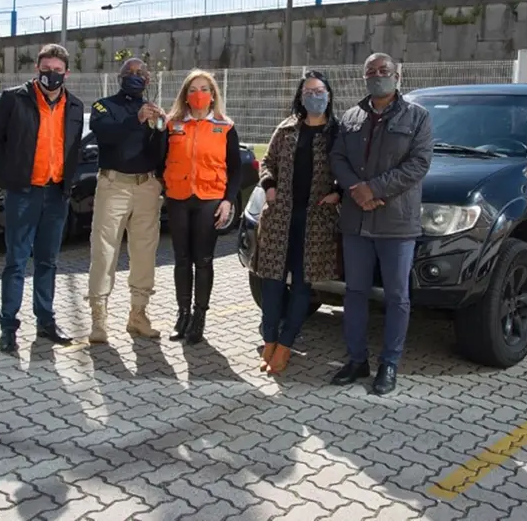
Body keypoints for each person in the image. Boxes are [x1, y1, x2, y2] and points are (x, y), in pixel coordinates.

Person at [329, 52, 433, 395]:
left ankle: (389, 364)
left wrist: (373, 189)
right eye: (371, 71)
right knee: (355, 292)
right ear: (364, 78)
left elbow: (418, 164)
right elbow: (337, 157)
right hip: (356, 222)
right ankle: (357, 360)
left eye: (384, 70)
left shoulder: (417, 117)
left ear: (397, 77)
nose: (378, 75)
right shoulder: (351, 116)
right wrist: (355, 191)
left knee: (397, 296)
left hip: (396, 223)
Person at [0, 43, 84, 353]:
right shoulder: (15, 99)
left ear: (66, 73)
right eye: (46, 69)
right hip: (23, 193)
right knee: (15, 261)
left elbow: (74, 149)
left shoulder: (75, 106)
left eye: (57, 70)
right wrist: (15, 170)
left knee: (48, 261)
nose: (51, 75)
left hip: (56, 196)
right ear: (37, 69)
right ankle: (8, 327)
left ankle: (45, 321)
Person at [250, 71, 341, 374]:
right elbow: (267, 162)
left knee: (302, 285)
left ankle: (286, 346)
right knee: (272, 282)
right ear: (300, 97)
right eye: (308, 92)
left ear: (329, 95)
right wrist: (269, 185)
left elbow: (353, 167)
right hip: (279, 219)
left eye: (319, 91)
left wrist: (338, 192)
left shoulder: (337, 133)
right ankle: (269, 341)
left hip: (315, 222)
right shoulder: (287, 128)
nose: (314, 96)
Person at [84, 58, 166, 344]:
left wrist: (160, 128)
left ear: (149, 81)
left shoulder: (153, 111)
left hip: (146, 187)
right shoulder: (104, 106)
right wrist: (137, 120)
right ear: (119, 77)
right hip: (113, 185)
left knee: (144, 252)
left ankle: (138, 314)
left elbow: (160, 151)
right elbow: (105, 133)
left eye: (141, 73)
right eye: (129, 72)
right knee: (104, 252)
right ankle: (99, 318)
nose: (135, 76)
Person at [160, 69, 241, 344]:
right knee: (181, 259)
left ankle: (199, 317)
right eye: (193, 89)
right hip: (179, 198)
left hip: (210, 199)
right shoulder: (172, 124)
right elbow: (160, 159)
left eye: (204, 89)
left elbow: (235, 169)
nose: (199, 94)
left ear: (213, 94)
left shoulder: (225, 126)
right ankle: (182, 314)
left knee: (203, 260)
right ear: (185, 95)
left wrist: (228, 201)